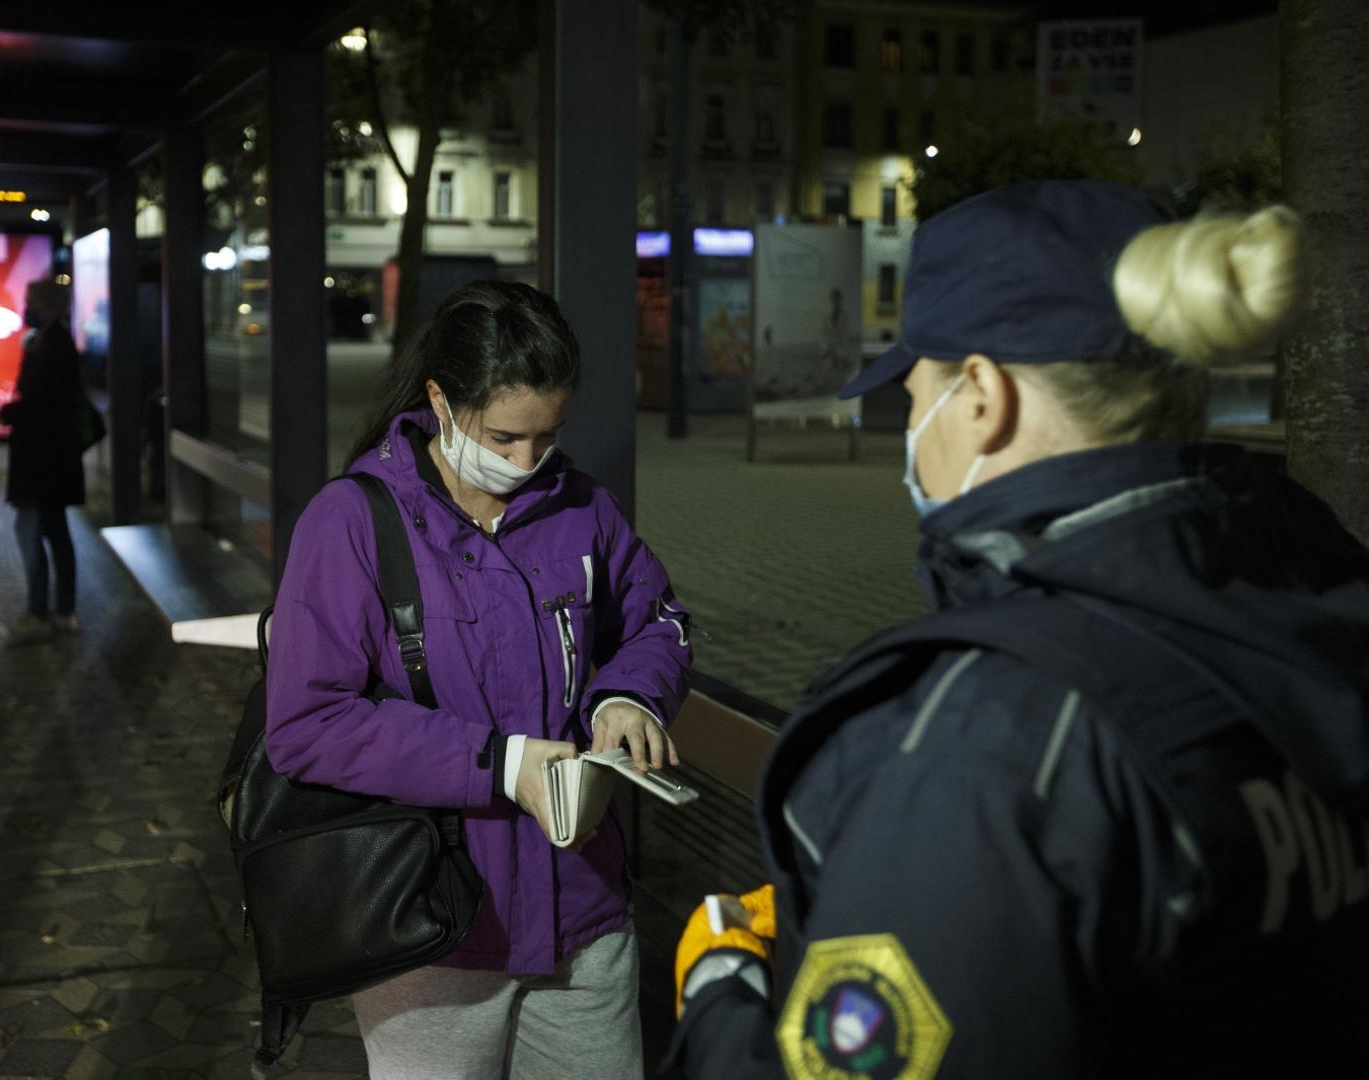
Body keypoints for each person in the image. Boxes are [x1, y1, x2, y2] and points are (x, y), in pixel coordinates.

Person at [665, 180, 1369, 1077]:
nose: (910, 432)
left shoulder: (985, 743)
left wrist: (723, 988)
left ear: (982, 398)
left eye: (915, 395)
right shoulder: (1316, 595)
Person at [265, 280, 693, 1080]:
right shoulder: (352, 522)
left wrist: (630, 695)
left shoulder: (580, 509)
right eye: (503, 437)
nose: (528, 463)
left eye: (547, 436)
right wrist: (501, 763)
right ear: (439, 399)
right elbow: (306, 723)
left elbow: (656, 620)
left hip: (586, 918)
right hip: (433, 929)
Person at [0, 279, 85, 644]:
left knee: (30, 532)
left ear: (45, 305)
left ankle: (40, 613)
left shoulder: (54, 344)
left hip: (42, 462)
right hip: (51, 461)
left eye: (30, 301)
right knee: (55, 534)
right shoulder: (48, 339)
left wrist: (11, 412)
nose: (25, 307)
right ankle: (62, 612)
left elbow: (44, 403)